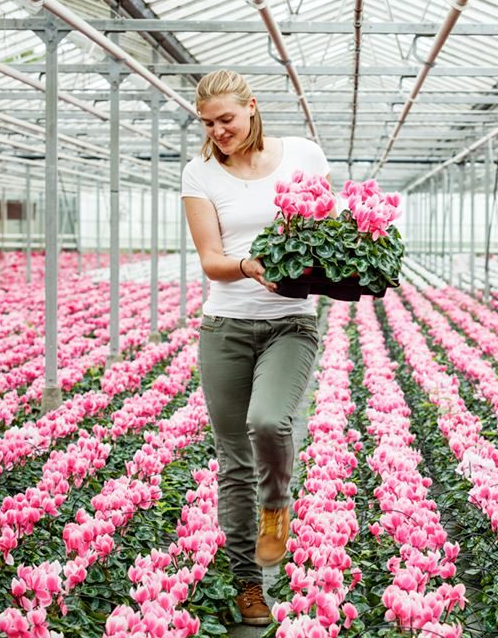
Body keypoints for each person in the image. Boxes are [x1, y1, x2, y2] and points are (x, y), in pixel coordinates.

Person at [181, 69, 328, 626]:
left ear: (251, 108)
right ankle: (249, 583)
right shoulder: (200, 174)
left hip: (291, 320)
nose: (219, 131)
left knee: (269, 422)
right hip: (226, 326)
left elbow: (327, 231)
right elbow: (212, 260)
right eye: (208, 123)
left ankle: (276, 509)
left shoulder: (304, 157)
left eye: (227, 119)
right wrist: (248, 266)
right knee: (232, 459)